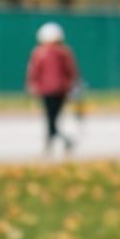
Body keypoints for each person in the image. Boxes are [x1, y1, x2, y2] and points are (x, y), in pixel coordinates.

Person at [26, 22, 79, 155]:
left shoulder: (41, 52)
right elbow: (72, 71)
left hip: (51, 90)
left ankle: (52, 144)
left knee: (51, 118)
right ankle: (61, 141)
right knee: (53, 118)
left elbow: (33, 71)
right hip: (58, 89)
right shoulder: (63, 52)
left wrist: (32, 84)